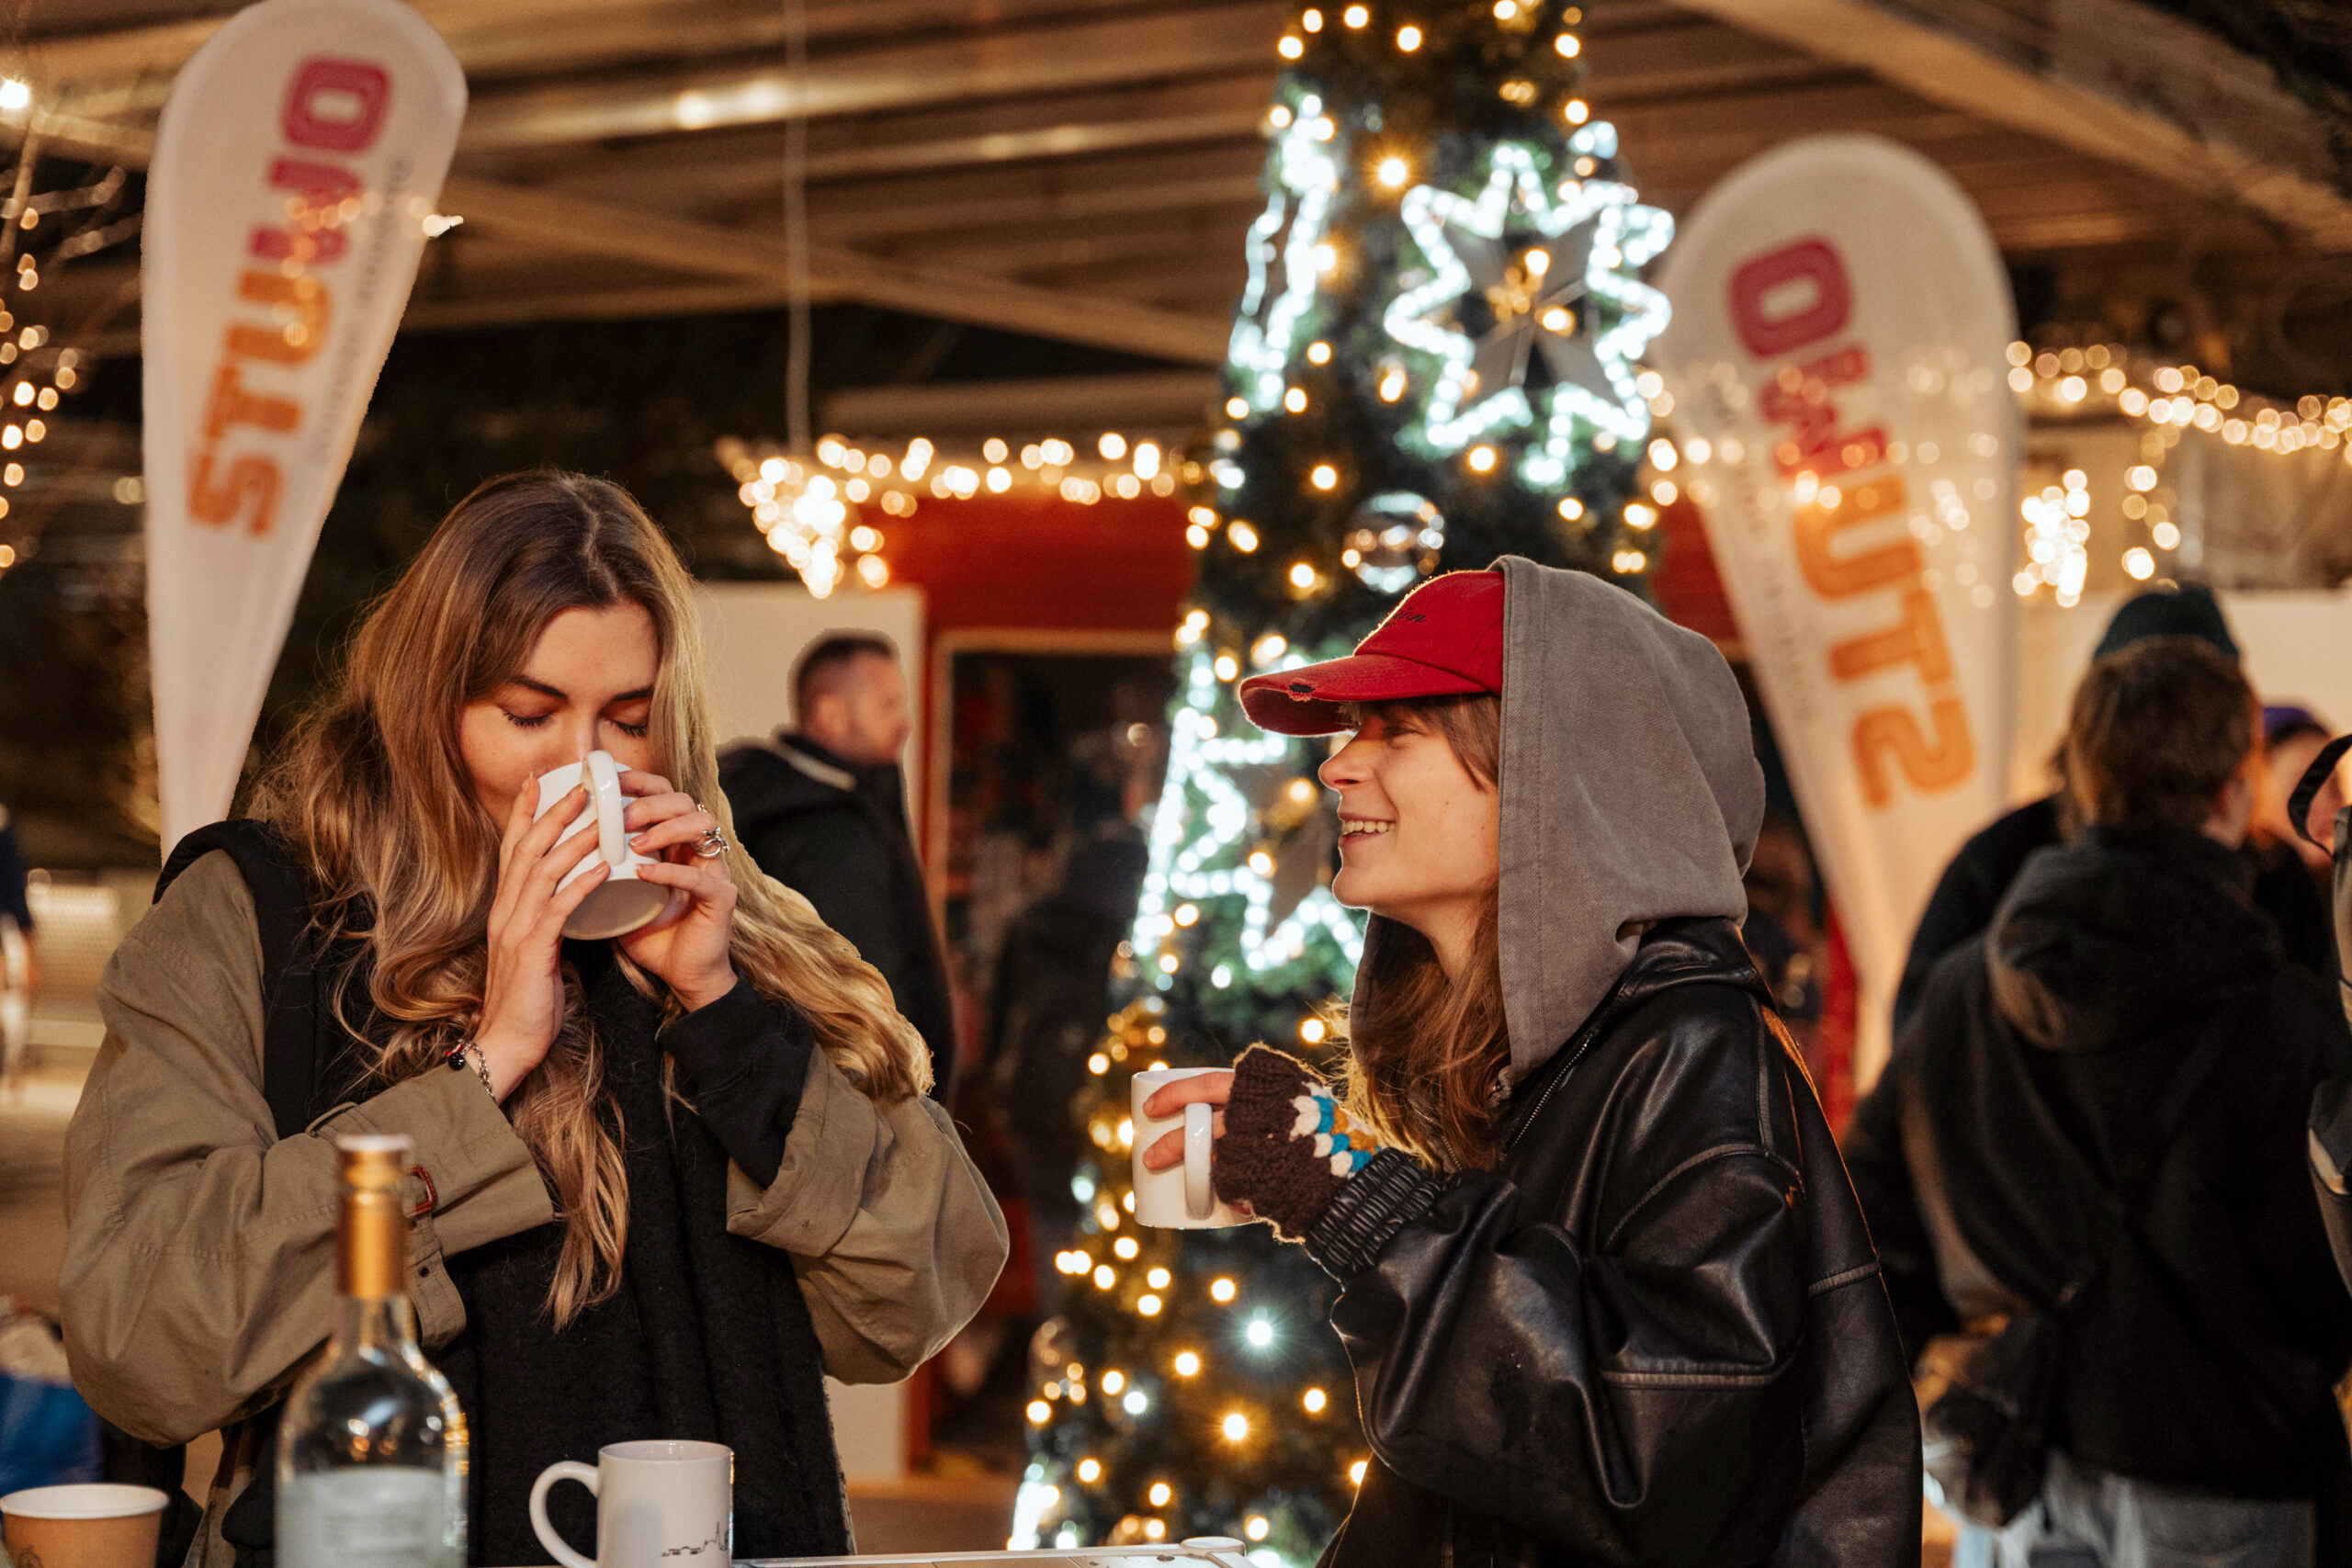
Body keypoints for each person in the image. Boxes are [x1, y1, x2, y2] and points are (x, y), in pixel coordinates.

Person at [59, 473, 1007, 1567]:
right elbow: (139, 1336)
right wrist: (486, 1066)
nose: (586, 767)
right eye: (528, 715)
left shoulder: (732, 916)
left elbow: (916, 1299)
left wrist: (729, 1017)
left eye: (629, 721)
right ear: (427, 709)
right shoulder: (257, 919)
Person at [1144, 562, 1920, 1567]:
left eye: (1396, 731)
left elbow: (1651, 1463)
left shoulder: (1690, 1049)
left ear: (1554, 775)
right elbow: (1467, 1491)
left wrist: (1350, 1194)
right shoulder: (1522, 1059)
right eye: (1353, 729)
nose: (1338, 766)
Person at [1843, 636, 2352, 1568]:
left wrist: (1934, 1365)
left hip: (2014, 1473)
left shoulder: (1963, 992)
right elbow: (2325, 1282)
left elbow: (1864, 1215)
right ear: (2233, 792)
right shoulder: (2285, 1026)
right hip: (2225, 1482)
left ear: (2080, 781)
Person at [1894, 585, 2331, 1027]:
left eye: (2194, 723)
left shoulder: (2278, 877)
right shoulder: (1997, 862)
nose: (2165, 747)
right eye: (2140, 715)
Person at [720, 634, 955, 1094]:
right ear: (830, 715)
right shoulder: (822, 830)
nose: (905, 722)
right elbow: (859, 993)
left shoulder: (837, 801)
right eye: (887, 705)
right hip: (864, 1099)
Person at [982, 824, 1148, 1307]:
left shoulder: (1035, 923)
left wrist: (999, 1093)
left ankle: (1059, 1342)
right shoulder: (1132, 939)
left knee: (1055, 1244)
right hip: (1114, 1112)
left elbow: (999, 1016)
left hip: (1037, 1107)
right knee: (1125, 1252)